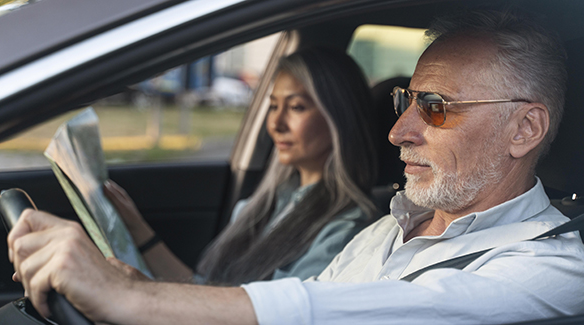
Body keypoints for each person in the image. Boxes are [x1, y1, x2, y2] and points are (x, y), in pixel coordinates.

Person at [6, 10, 584, 325]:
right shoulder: (392, 225)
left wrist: (136, 302)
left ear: (526, 130)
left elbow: (346, 313)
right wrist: (138, 287)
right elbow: (305, 294)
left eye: (435, 108)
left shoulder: (556, 273)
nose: (398, 130)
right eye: (405, 101)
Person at [103, 47, 380, 285]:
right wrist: (137, 229)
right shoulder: (261, 206)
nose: (276, 124)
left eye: (296, 107)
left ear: (339, 118)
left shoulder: (346, 230)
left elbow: (274, 315)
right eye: (273, 106)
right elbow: (206, 293)